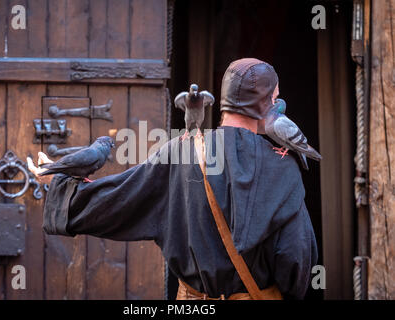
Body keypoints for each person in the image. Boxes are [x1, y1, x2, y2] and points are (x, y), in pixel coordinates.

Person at [28, 58, 318, 300]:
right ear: (264, 103)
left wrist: (60, 183)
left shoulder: (179, 152)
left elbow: (118, 198)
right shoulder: (283, 166)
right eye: (275, 97)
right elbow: (296, 255)